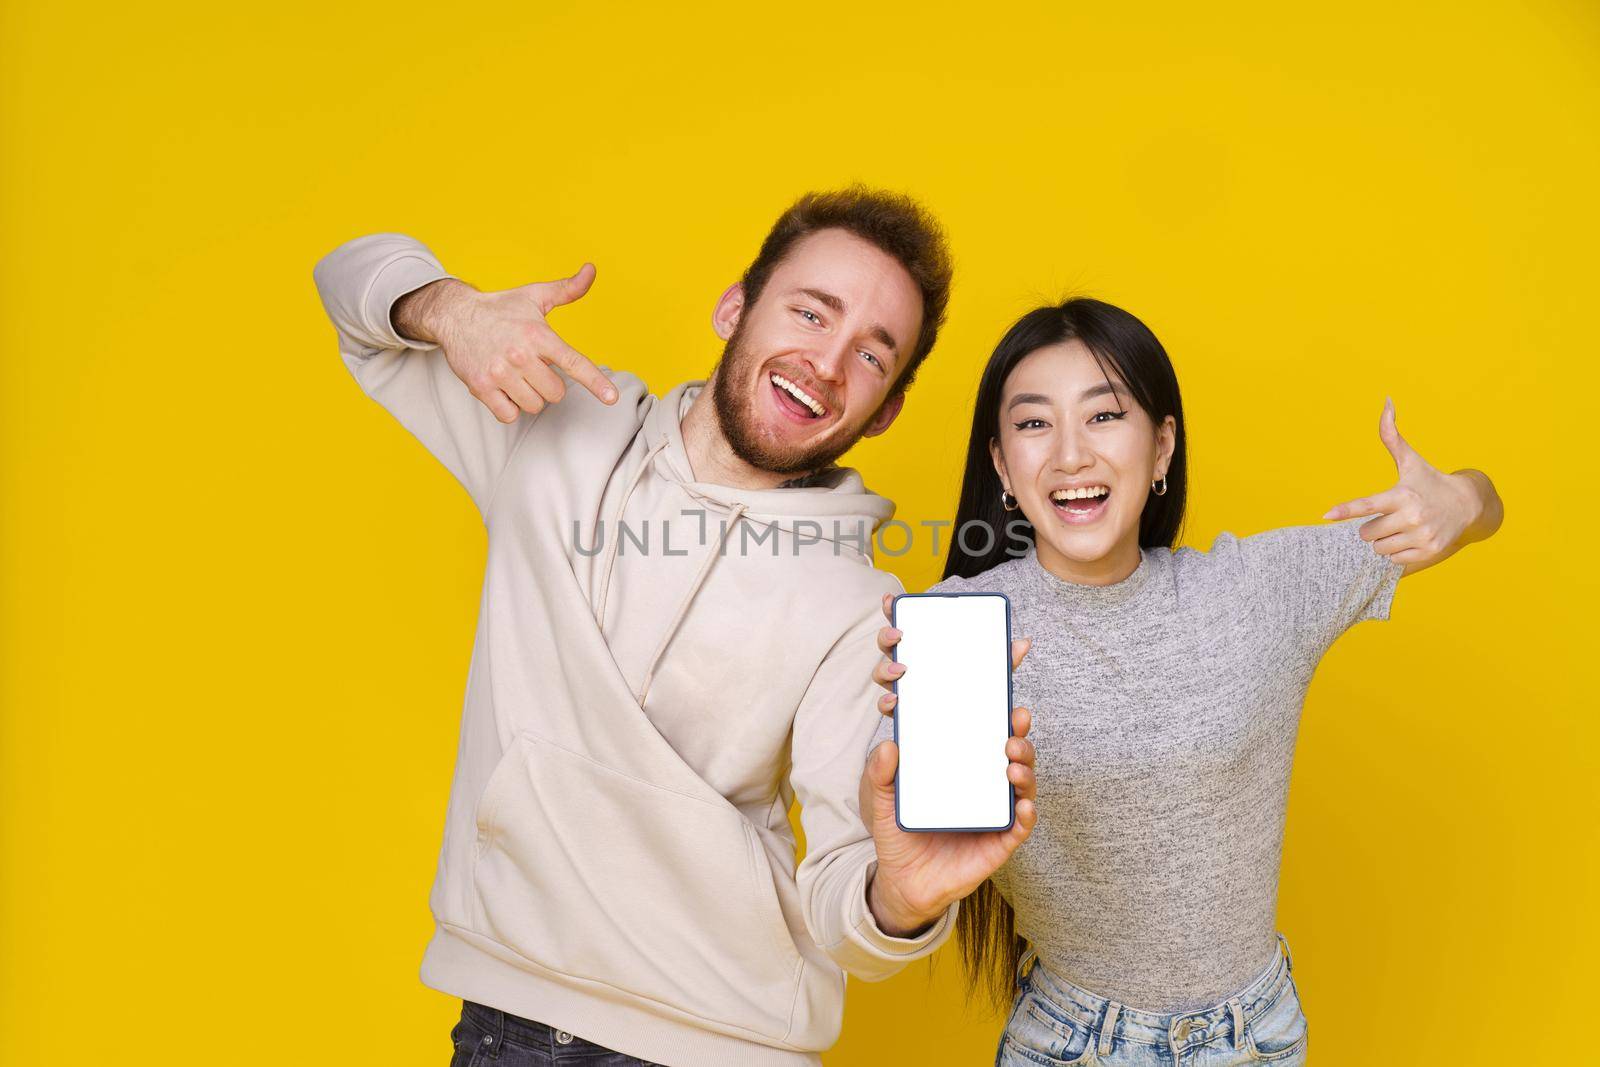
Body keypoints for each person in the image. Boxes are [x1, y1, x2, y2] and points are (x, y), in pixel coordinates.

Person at [311, 187, 1039, 1067]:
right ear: (736, 306)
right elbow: (348, 283)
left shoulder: (861, 608)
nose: (827, 362)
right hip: (511, 1018)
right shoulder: (551, 424)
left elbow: (851, 907)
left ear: (882, 411)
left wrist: (903, 899)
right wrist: (451, 311)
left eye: (872, 357)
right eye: (811, 312)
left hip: (730, 1044)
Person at [868, 298, 1503, 1066]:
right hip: (1070, 1043)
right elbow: (899, 863)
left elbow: (1483, 506)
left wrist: (1462, 498)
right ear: (1003, 464)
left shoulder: (1258, 590)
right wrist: (902, 869)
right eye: (1034, 424)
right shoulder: (950, 630)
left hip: (1259, 1038)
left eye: (1104, 416)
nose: (1070, 454)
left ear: (1161, 445)